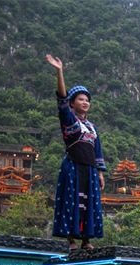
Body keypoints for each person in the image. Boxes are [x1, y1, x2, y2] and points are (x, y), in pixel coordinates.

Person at [47, 54, 106, 250]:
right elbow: (61, 99)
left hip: (89, 169)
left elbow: (97, 151)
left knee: (88, 202)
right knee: (72, 201)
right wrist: (59, 71)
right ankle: (71, 239)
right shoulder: (69, 120)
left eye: (87, 99)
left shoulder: (92, 126)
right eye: (81, 99)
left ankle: (86, 240)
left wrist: (99, 172)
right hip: (72, 165)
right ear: (73, 103)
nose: (85, 102)